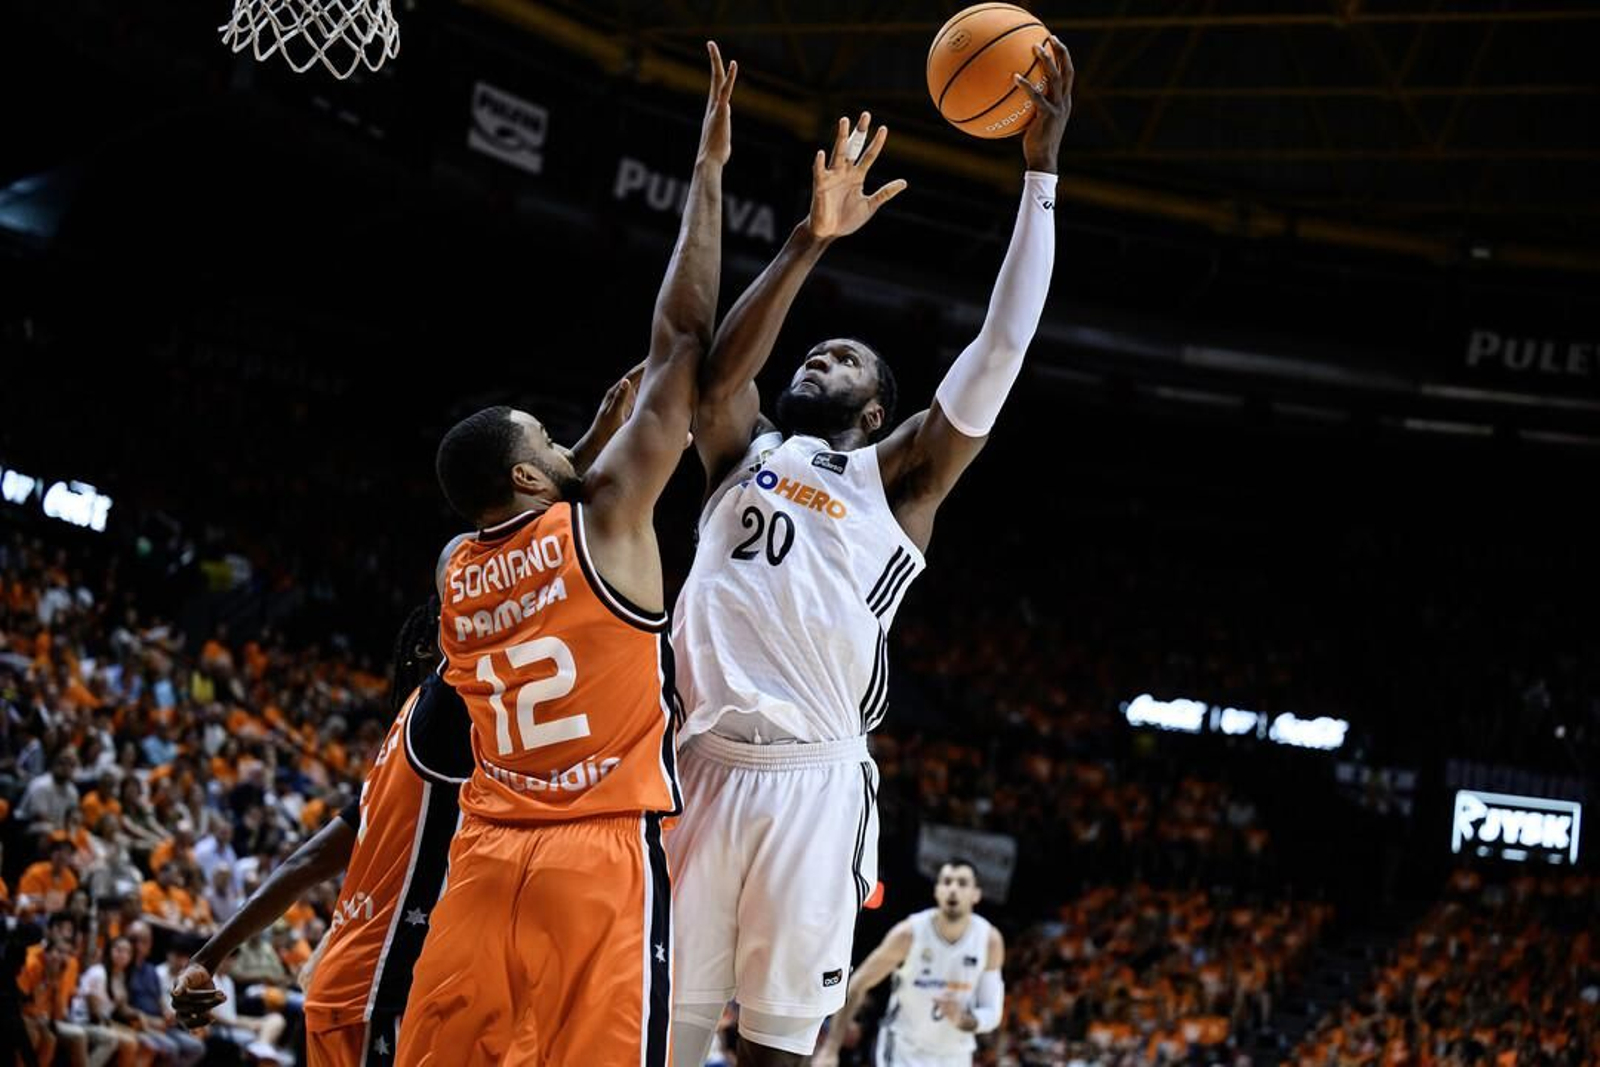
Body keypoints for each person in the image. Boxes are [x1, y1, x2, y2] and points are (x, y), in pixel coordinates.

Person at [667, 36, 1072, 1066]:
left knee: (775, 1050)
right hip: (697, 767)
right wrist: (808, 239)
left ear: (879, 406)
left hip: (811, 781)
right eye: (815, 348)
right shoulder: (740, 449)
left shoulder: (900, 477)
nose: (821, 351)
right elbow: (713, 376)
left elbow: (1003, 347)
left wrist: (1040, 172)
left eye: (843, 356)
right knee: (655, 1037)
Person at [392, 42, 735, 1067]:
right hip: (595, 853)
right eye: (544, 437)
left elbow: (521, 507)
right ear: (537, 477)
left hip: (485, 854)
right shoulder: (610, 519)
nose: (560, 444)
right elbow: (682, 342)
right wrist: (709, 169)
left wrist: (576, 443)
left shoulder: (455, 565)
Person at [171, 367, 638, 1065]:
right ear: (445, 638)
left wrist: (209, 955)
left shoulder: (410, 735)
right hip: (391, 984)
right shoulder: (458, 712)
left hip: (347, 986)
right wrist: (604, 445)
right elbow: (514, 539)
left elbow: (306, 859)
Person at [815, 859, 1006, 1067]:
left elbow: (992, 1012)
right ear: (937, 891)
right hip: (903, 1051)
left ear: (976, 894)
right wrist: (830, 1048)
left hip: (955, 1057)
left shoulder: (989, 941)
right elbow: (858, 984)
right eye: (947, 881)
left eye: (962, 883)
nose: (953, 889)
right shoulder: (909, 934)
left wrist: (963, 1019)